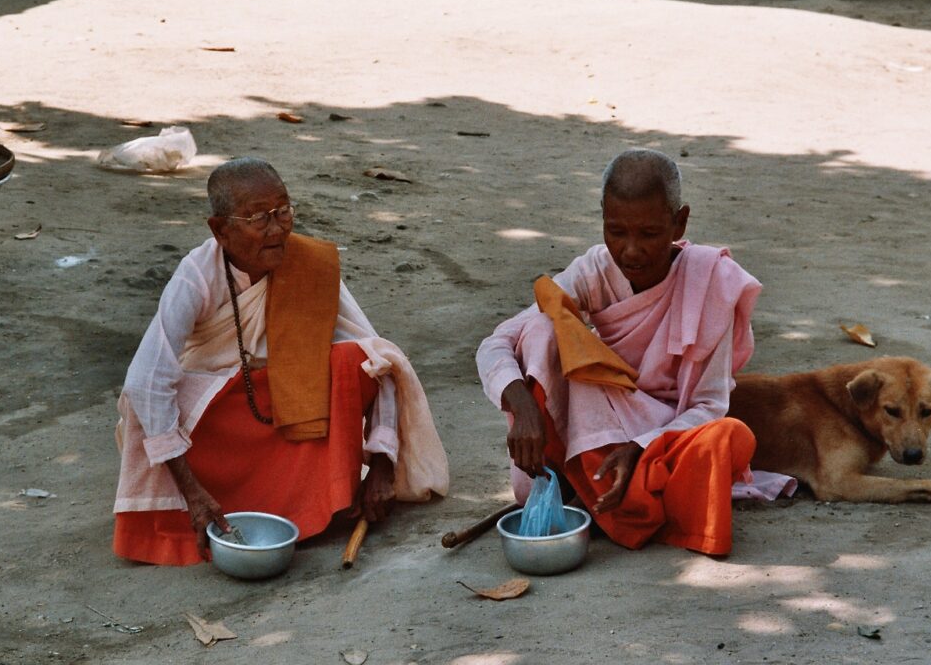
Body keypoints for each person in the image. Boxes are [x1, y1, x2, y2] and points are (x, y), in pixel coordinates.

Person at [113, 158, 449, 565]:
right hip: (218, 423)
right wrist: (193, 493)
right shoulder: (196, 276)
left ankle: (321, 501)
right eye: (257, 218)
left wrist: (381, 464)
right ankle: (203, 508)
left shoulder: (309, 264)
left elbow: (376, 358)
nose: (277, 229)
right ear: (220, 229)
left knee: (352, 362)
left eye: (283, 211)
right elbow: (146, 381)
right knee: (145, 402)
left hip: (285, 404)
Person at [476, 148, 780, 556]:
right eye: (616, 232)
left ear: (679, 221)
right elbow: (496, 343)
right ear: (602, 218)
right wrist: (521, 404)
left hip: (665, 437)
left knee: (731, 437)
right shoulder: (594, 271)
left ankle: (606, 496)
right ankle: (577, 483)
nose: (631, 251)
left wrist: (639, 449)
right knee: (545, 327)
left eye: (649, 234)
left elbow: (709, 405)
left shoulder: (713, 282)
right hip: (597, 426)